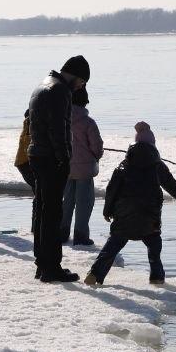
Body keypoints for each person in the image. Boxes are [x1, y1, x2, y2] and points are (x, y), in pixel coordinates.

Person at [85, 123, 176, 286]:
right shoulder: (157, 166)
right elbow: (173, 186)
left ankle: (95, 274)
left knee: (113, 244)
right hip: (149, 217)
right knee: (154, 247)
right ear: (153, 146)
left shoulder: (123, 167)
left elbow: (112, 190)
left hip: (123, 216)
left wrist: (107, 211)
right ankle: (157, 277)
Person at [28, 55, 90, 282]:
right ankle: (51, 267)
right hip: (50, 158)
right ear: (74, 75)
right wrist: (64, 158)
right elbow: (58, 128)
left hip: (37, 154)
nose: (81, 87)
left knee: (44, 211)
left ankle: (42, 263)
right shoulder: (59, 90)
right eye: (82, 82)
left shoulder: (43, 85)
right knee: (53, 214)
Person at [60, 86, 103, 245]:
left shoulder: (62, 119)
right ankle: (81, 236)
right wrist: (97, 155)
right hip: (84, 170)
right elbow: (96, 146)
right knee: (84, 204)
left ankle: (62, 233)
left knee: (66, 202)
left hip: (66, 167)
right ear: (85, 102)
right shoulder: (88, 122)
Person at [14, 109, 35, 188]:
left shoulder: (27, 124)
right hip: (25, 163)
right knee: (38, 187)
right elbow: (27, 145)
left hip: (23, 162)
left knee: (38, 188)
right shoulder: (29, 123)